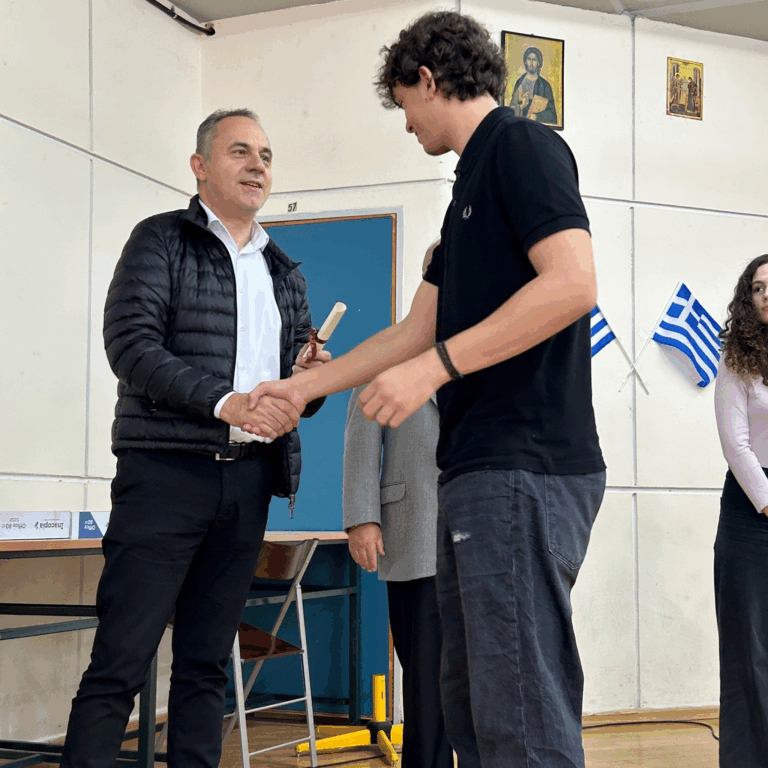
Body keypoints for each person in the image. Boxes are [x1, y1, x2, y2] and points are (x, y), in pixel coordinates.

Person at [246, 11, 605, 767]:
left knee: (519, 715)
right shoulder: (466, 188)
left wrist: (437, 368)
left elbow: (573, 284)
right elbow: (414, 330)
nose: (406, 122)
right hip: (473, 474)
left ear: (428, 80)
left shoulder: (522, 146)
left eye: (404, 104)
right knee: (471, 708)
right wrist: (300, 389)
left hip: (524, 465)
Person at [59, 108, 327, 768]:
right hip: (165, 475)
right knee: (120, 660)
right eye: (240, 151)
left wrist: (309, 381)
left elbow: (295, 387)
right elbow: (131, 346)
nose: (258, 165)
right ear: (200, 166)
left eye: (266, 155)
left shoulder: (285, 272)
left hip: (249, 481)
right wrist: (223, 401)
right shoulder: (160, 241)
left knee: (207, 664)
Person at [342, 246, 452, 768]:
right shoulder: (392, 351)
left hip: (482, 531)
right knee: (425, 668)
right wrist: (362, 518)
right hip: (415, 531)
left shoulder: (494, 344)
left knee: (477, 670)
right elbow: (362, 436)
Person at [714, 253, 768, 768]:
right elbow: (736, 443)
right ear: (747, 299)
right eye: (758, 287)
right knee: (750, 647)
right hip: (751, 510)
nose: (767, 293)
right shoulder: (737, 360)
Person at [509, 46, 558, 125]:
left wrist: (536, 117)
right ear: (525, 62)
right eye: (529, 59)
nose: (531, 63)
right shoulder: (520, 82)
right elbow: (510, 112)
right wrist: (521, 106)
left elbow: (552, 115)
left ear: (538, 63)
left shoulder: (545, 85)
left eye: (534, 60)